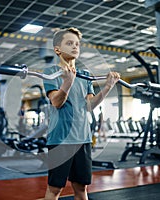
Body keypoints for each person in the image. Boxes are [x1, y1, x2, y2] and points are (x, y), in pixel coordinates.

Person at [43, 27, 120, 200]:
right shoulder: (51, 73)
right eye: (69, 43)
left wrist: (107, 88)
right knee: (55, 189)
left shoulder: (85, 76)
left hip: (83, 139)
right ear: (57, 49)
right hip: (60, 140)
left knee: (81, 188)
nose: (75, 47)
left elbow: (89, 105)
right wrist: (67, 83)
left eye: (77, 44)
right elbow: (56, 102)